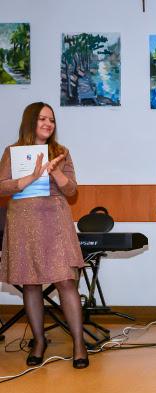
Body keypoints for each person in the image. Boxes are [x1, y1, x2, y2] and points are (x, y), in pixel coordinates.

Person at [0, 102, 89, 369]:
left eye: (51, 120)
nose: (48, 124)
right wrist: (31, 177)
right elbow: (2, 187)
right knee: (30, 284)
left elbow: (71, 190)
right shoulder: (12, 152)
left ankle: (79, 344)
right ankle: (39, 342)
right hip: (23, 223)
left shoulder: (61, 152)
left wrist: (56, 171)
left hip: (55, 222)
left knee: (66, 282)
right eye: (42, 119)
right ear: (30, 121)